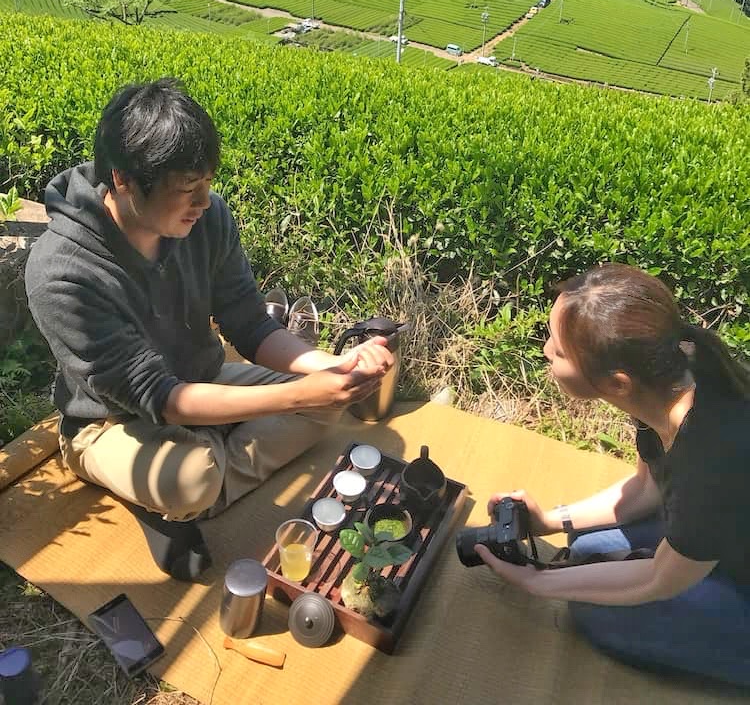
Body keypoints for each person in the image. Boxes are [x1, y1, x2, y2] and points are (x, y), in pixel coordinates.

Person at [25, 78, 393, 581]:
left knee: (326, 409)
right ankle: (184, 485)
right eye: (186, 190)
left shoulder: (207, 218)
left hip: (207, 378)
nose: (203, 201)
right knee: (194, 477)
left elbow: (248, 321)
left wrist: (332, 368)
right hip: (109, 421)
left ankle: (196, 475)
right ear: (124, 179)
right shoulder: (63, 270)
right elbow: (162, 397)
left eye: (207, 183)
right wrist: (298, 396)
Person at [476, 263, 750, 688]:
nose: (547, 350)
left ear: (617, 383)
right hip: (724, 534)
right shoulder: (671, 376)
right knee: (586, 548)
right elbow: (647, 489)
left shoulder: (712, 462)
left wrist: (537, 582)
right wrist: (550, 520)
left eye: (560, 351)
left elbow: (656, 579)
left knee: (595, 610)